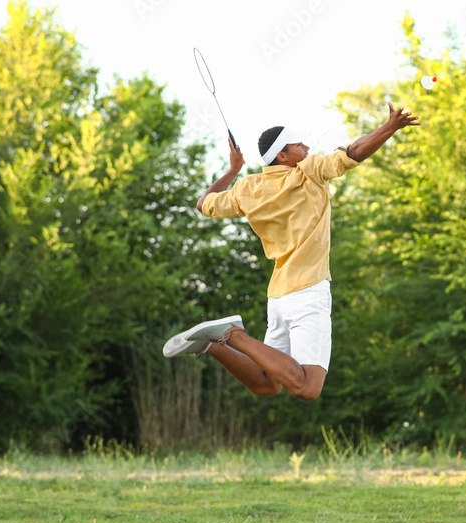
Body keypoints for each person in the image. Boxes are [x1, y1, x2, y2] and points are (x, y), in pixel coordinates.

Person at [162, 103, 419, 401]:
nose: (306, 147)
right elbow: (353, 152)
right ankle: (232, 334)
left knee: (267, 385)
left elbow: (204, 203)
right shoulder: (307, 172)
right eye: (298, 144)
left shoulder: (247, 188)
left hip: (280, 298)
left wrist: (233, 170)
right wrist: (390, 127)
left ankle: (212, 344)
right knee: (308, 388)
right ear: (283, 156)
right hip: (308, 291)